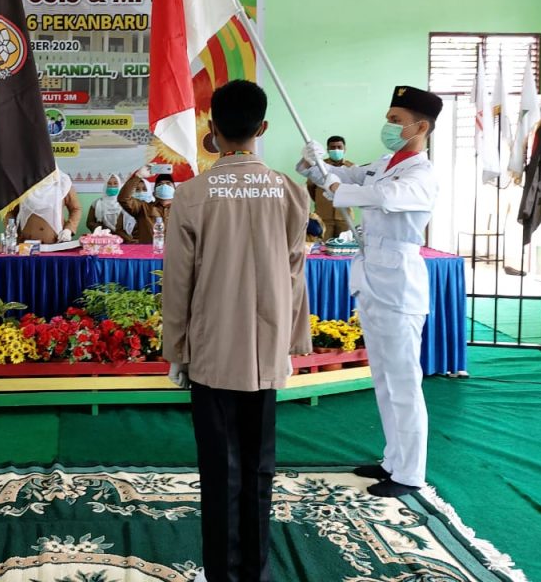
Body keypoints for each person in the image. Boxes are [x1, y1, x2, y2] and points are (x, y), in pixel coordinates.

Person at [163, 80, 310, 582]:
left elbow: (178, 282)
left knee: (219, 469)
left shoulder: (192, 194)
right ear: (262, 128)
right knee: (259, 465)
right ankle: (256, 572)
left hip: (211, 351)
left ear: (212, 128)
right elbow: (295, 274)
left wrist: (177, 350)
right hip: (267, 351)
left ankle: (223, 575)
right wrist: (290, 344)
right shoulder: (289, 191)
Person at [297, 85, 442, 499]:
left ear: (421, 127)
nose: (388, 126)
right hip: (372, 278)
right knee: (383, 378)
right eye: (389, 118)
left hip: (399, 285)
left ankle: (410, 473)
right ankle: (392, 459)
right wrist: (315, 162)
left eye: (396, 120)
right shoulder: (384, 163)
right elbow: (342, 178)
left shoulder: (421, 174)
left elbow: (377, 196)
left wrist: (334, 184)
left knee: (403, 382)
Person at [11, 169, 82, 244]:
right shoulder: (21, 184)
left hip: (55, 242)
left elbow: (75, 209)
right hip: (25, 244)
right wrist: (11, 229)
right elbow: (10, 211)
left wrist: (69, 229)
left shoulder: (63, 183)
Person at [306, 135, 355, 239]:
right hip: (323, 216)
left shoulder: (351, 167)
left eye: (339, 147)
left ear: (345, 149)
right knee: (323, 246)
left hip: (345, 217)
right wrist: (321, 201)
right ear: (327, 149)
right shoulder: (319, 166)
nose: (336, 150)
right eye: (332, 147)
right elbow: (310, 187)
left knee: (345, 246)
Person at [119, 168, 174, 243]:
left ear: (175, 191)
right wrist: (138, 176)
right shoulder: (143, 208)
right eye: (160, 184)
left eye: (168, 184)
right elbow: (123, 199)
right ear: (154, 193)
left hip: (175, 250)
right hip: (148, 250)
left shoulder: (182, 210)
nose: (164, 186)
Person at [86, 174, 136, 242]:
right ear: (105, 186)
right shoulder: (97, 203)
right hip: (105, 239)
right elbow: (90, 223)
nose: (112, 186)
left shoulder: (126, 203)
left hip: (126, 239)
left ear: (119, 185)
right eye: (109, 184)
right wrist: (105, 230)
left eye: (115, 183)